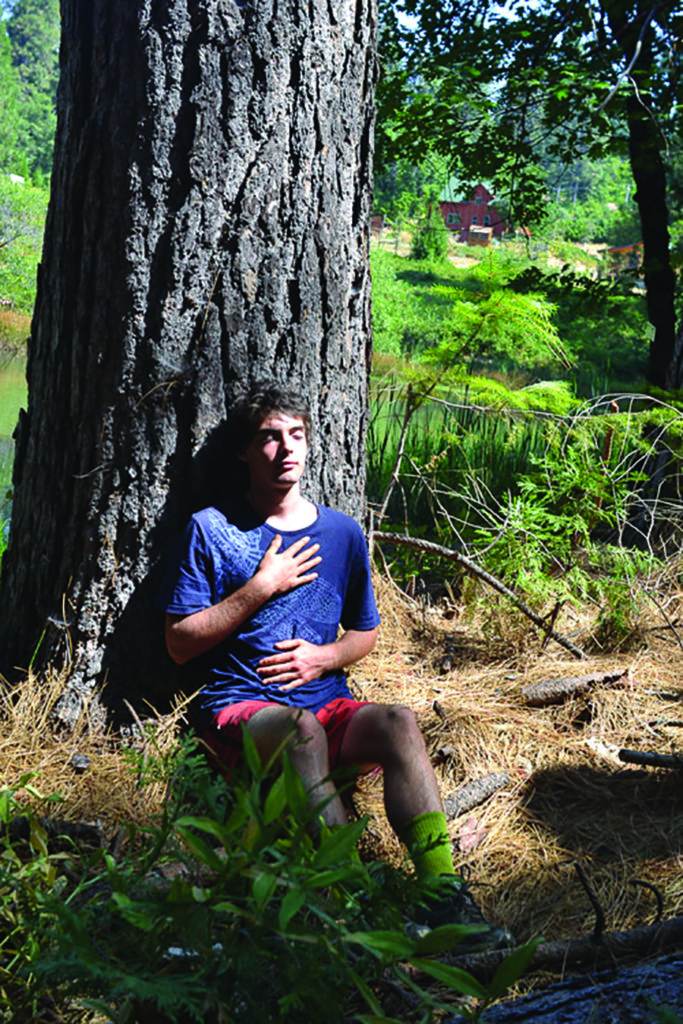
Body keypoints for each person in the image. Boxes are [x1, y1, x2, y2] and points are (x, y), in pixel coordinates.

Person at [164, 382, 510, 946]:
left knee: (398, 722)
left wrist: (327, 656)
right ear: (244, 453)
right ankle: (357, 899)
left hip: (326, 707)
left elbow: (366, 632)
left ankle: (442, 894)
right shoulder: (212, 529)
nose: (286, 449)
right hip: (241, 711)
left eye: (296, 435)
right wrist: (260, 588)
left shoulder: (342, 533)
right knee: (300, 732)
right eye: (269, 439)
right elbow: (179, 642)